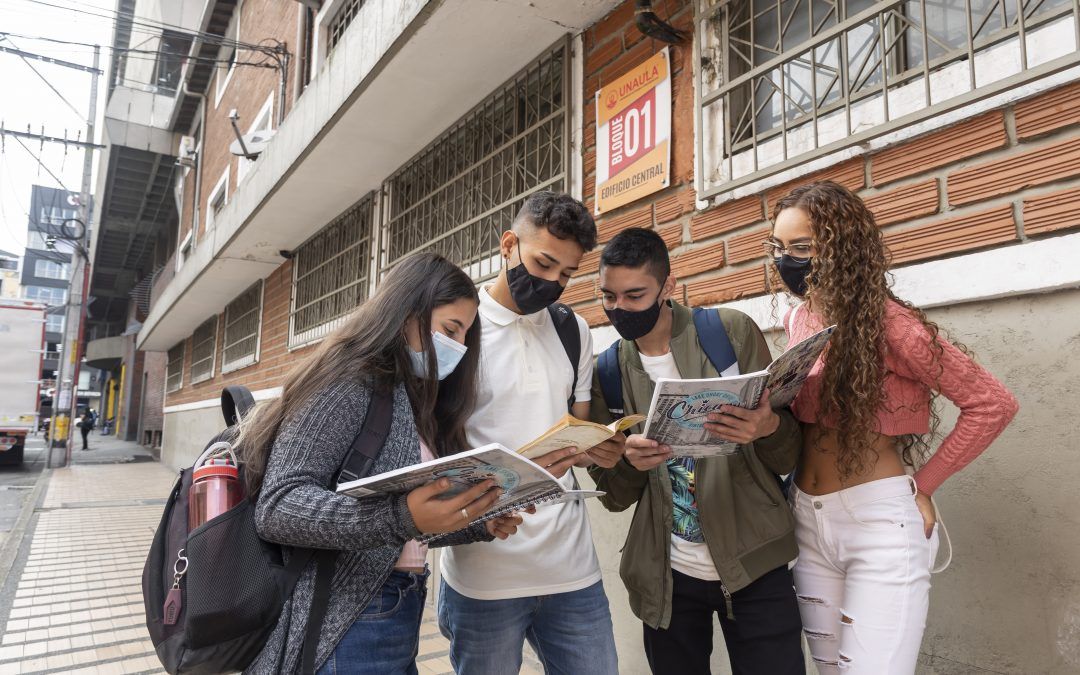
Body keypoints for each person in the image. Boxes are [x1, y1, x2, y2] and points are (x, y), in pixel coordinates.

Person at [768, 181, 1019, 674]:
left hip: (878, 522)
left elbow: (992, 403)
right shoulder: (800, 318)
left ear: (841, 249)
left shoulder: (891, 324)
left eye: (801, 248)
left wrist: (924, 487)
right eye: (779, 248)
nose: (786, 261)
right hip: (806, 519)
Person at [235, 253, 526, 675]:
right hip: (349, 621)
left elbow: (395, 531)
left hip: (399, 606)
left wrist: (473, 522)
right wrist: (402, 515)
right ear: (407, 313)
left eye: (465, 334)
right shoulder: (348, 381)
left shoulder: (406, 394)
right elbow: (280, 506)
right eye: (450, 329)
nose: (459, 347)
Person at [586, 228, 805, 675]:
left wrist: (767, 426)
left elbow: (786, 456)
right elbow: (613, 496)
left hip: (755, 563)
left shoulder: (728, 333)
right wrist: (629, 461)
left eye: (634, 295)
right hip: (665, 581)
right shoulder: (606, 371)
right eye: (608, 296)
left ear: (667, 286)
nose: (619, 309)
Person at [438, 191, 625, 675]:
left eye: (566, 273)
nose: (552, 282)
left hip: (571, 568)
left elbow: (577, 432)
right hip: (485, 569)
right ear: (507, 245)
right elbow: (433, 447)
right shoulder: (460, 329)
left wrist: (600, 449)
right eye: (543, 263)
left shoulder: (572, 329)